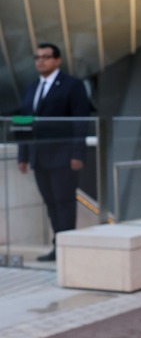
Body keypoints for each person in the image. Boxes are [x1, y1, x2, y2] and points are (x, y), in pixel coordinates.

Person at [17, 43, 91, 261]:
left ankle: (68, 247)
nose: (41, 61)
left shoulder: (72, 86)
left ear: (57, 60)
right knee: (50, 202)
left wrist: (78, 153)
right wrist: (23, 156)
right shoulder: (31, 88)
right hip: (39, 157)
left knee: (64, 201)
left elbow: (80, 122)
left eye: (46, 57)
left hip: (64, 156)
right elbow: (24, 123)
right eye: (37, 57)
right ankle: (58, 245)